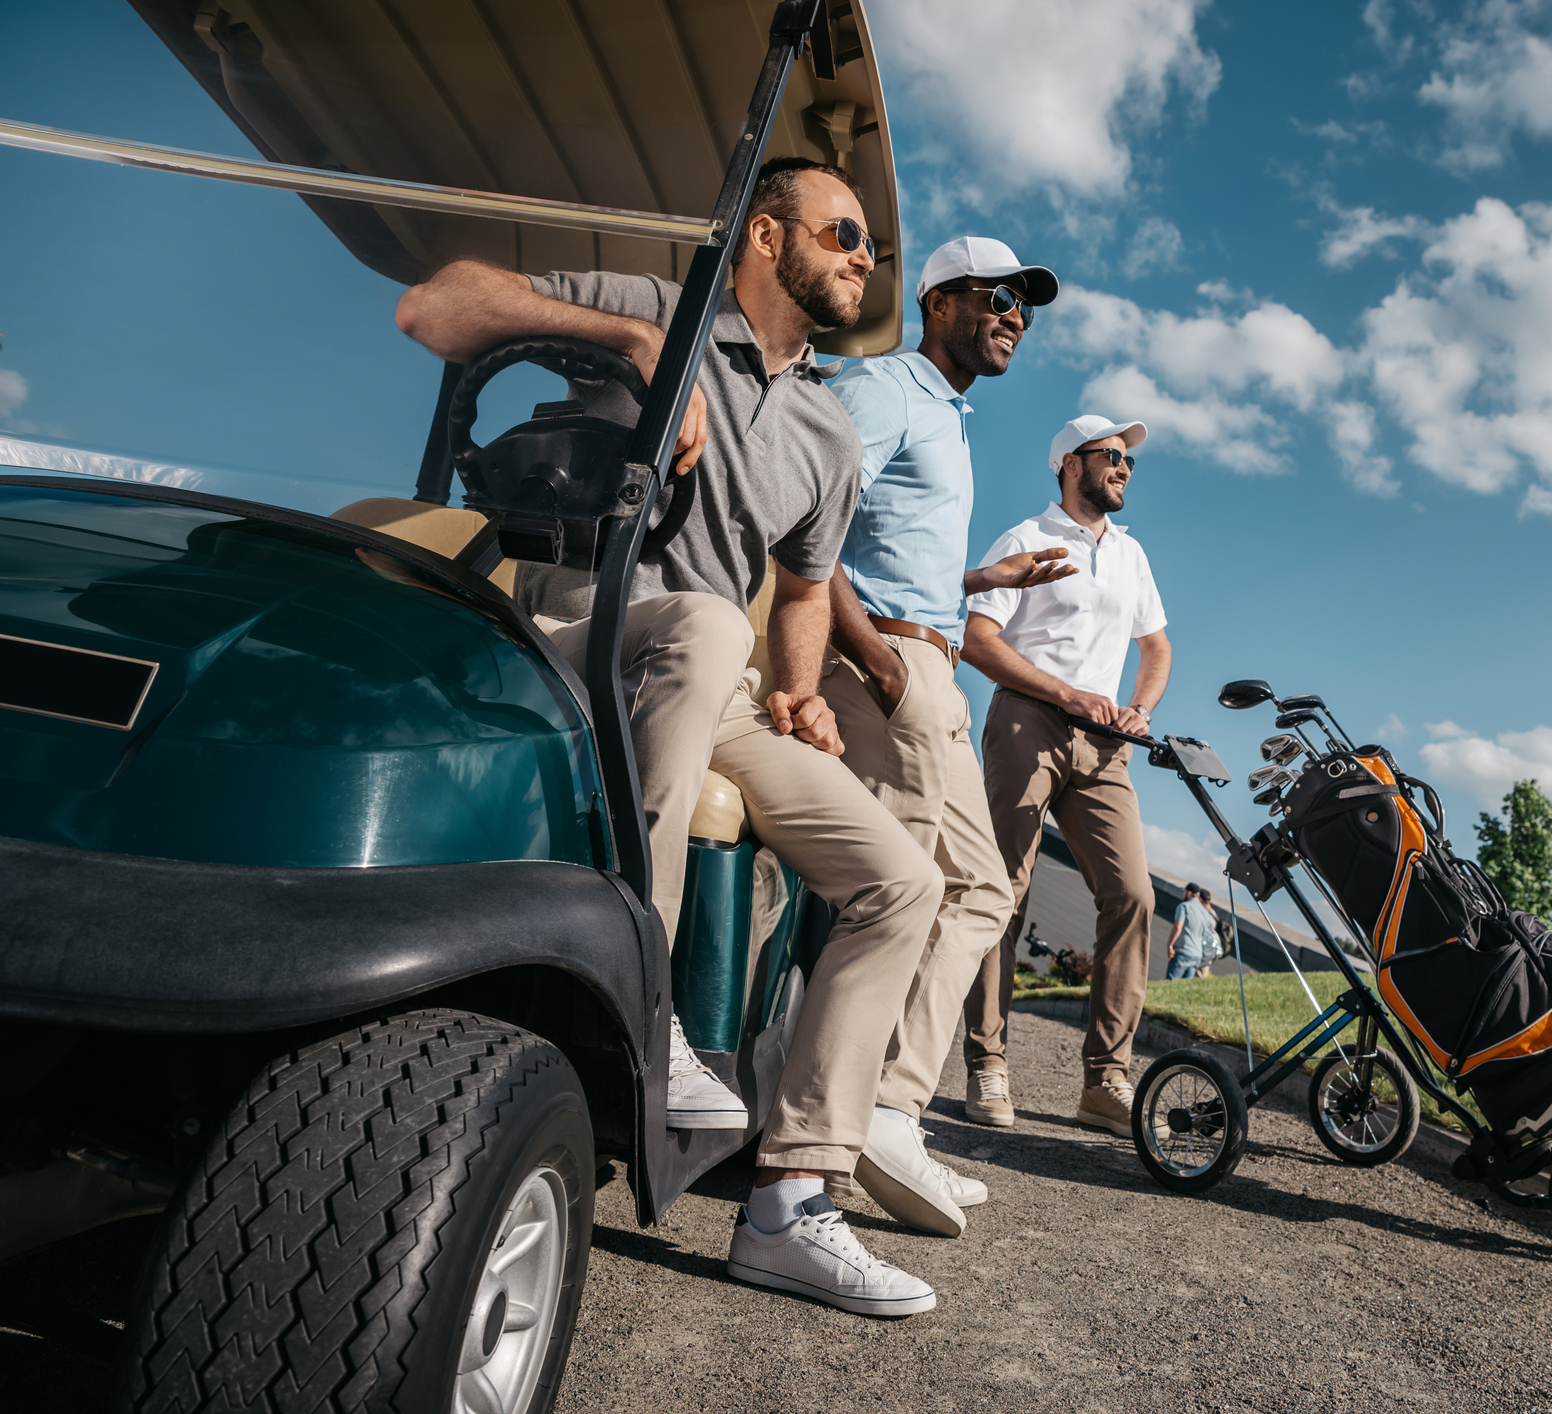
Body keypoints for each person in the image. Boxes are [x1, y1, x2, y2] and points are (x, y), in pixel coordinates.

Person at [395, 157, 944, 1316]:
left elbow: (800, 592)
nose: (863, 257)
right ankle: (645, 1005)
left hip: (716, 683)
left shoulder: (828, 434)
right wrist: (630, 346)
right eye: (845, 233)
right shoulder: (652, 309)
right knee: (696, 621)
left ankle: (792, 1202)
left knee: (901, 877)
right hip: (564, 621)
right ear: (763, 234)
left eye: (870, 249)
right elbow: (433, 308)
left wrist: (800, 693)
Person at [818, 237, 1071, 1232]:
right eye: (999, 296)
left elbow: (896, 545)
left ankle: (889, 1109)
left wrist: (979, 583)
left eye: (1025, 304)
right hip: (890, 665)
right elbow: (805, 526)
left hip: (928, 659)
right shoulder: (882, 389)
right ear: (941, 299)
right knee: (913, 893)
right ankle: (833, 1140)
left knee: (981, 888)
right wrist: (878, 663)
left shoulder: (947, 416)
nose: (1016, 313)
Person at [959, 414, 1172, 1137]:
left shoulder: (1131, 555)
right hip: (1028, 721)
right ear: (1067, 463)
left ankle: (1104, 1080)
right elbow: (976, 640)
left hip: (1106, 742)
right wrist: (1064, 694)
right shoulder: (1025, 540)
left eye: (1129, 461)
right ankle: (986, 1061)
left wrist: (1138, 708)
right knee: (1003, 888)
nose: (1123, 468)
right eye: (1110, 455)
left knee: (1132, 895)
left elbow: (1157, 647)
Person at [1166, 883, 1217, 980]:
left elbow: (1178, 927)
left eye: (1184, 892)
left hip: (1183, 952)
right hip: (1196, 955)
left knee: (1170, 985)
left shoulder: (1184, 907)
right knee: (1185, 989)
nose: (1183, 894)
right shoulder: (1205, 912)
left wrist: (1170, 945)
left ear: (1189, 892)